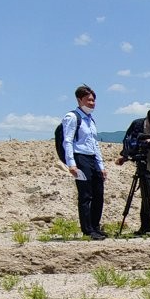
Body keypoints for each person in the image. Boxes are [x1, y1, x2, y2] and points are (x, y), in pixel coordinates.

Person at [61, 84, 107, 239]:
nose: (92, 103)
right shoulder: (72, 117)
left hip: (92, 158)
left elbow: (94, 143)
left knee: (98, 194)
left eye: (93, 100)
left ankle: (95, 226)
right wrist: (71, 164)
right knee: (85, 195)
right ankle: (87, 230)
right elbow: (67, 141)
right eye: (89, 100)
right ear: (79, 99)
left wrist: (101, 165)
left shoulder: (91, 120)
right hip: (80, 157)